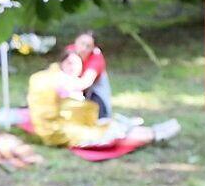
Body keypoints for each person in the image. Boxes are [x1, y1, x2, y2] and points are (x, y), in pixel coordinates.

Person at [26, 52, 178, 148]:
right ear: (62, 63)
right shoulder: (59, 80)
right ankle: (154, 135)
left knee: (112, 126)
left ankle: (153, 132)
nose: (73, 67)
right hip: (66, 129)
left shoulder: (61, 80)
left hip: (77, 125)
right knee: (112, 132)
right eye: (69, 63)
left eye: (77, 64)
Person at [70, 32, 112, 119]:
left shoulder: (96, 58)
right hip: (74, 87)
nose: (84, 48)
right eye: (82, 43)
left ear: (93, 48)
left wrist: (65, 86)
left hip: (94, 90)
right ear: (76, 42)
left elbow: (86, 82)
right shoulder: (69, 52)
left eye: (88, 46)